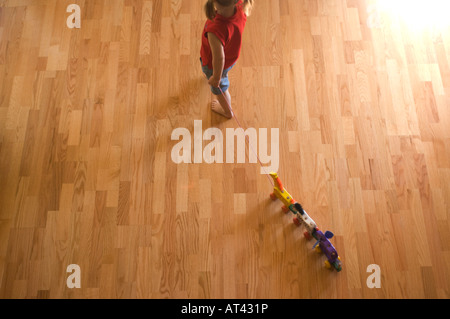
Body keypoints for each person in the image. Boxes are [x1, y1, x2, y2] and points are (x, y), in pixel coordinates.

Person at [200, 0, 254, 119]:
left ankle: (228, 112)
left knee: (221, 90)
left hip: (214, 66)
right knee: (220, 74)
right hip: (231, 56)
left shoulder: (215, 29)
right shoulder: (240, 7)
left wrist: (216, 78)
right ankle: (214, 76)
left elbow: (219, 58)